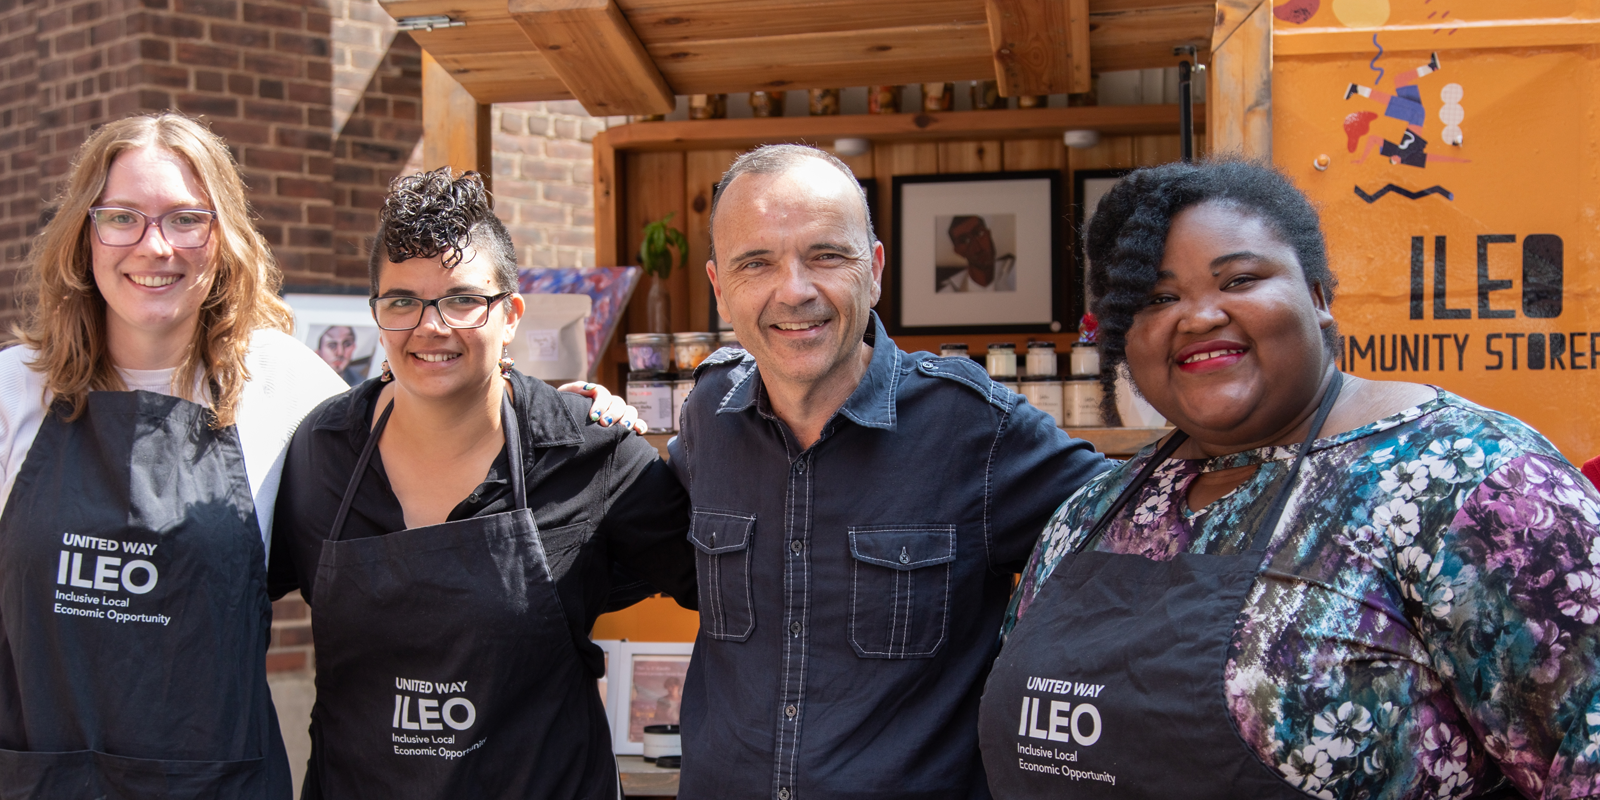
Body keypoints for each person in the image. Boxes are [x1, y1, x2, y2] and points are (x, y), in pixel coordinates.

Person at [977, 159, 1600, 799]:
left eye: (1239, 279)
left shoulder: (1474, 482)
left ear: (1319, 297)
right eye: (1158, 299)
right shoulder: (1094, 512)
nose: (1198, 317)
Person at [669, 144, 1110, 799]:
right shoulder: (708, 412)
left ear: (874, 271)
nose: (795, 290)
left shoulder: (974, 429)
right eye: (756, 263)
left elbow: (1143, 534)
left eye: (826, 255)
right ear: (719, 289)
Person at [269, 167, 695, 799]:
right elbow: (231, 597)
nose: (431, 326)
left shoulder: (587, 451)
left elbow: (733, 590)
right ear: (377, 314)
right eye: (402, 302)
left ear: (511, 314)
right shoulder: (321, 451)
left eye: (462, 300)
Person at [0, 112, 350, 797]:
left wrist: (543, 415)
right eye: (122, 218)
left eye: (187, 219)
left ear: (223, 238)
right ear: (85, 236)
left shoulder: (284, 383)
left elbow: (414, 475)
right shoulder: (13, 388)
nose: (154, 246)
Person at [939, 215, 1016, 293]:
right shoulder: (948, 292)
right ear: (958, 251)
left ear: (988, 234)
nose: (977, 247)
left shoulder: (1014, 271)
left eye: (979, 233)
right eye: (965, 241)